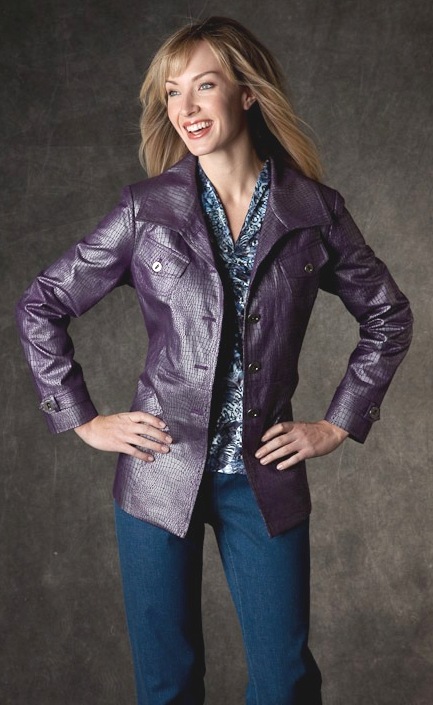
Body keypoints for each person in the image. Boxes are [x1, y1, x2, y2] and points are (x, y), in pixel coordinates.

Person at [16, 15, 413, 705]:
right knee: (167, 686)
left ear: (247, 92)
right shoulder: (146, 210)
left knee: (284, 683)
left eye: (204, 85)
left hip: (262, 474)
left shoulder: (312, 210)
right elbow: (42, 303)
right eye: (173, 92)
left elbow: (388, 313)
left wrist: (337, 423)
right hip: (157, 471)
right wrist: (82, 418)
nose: (186, 107)